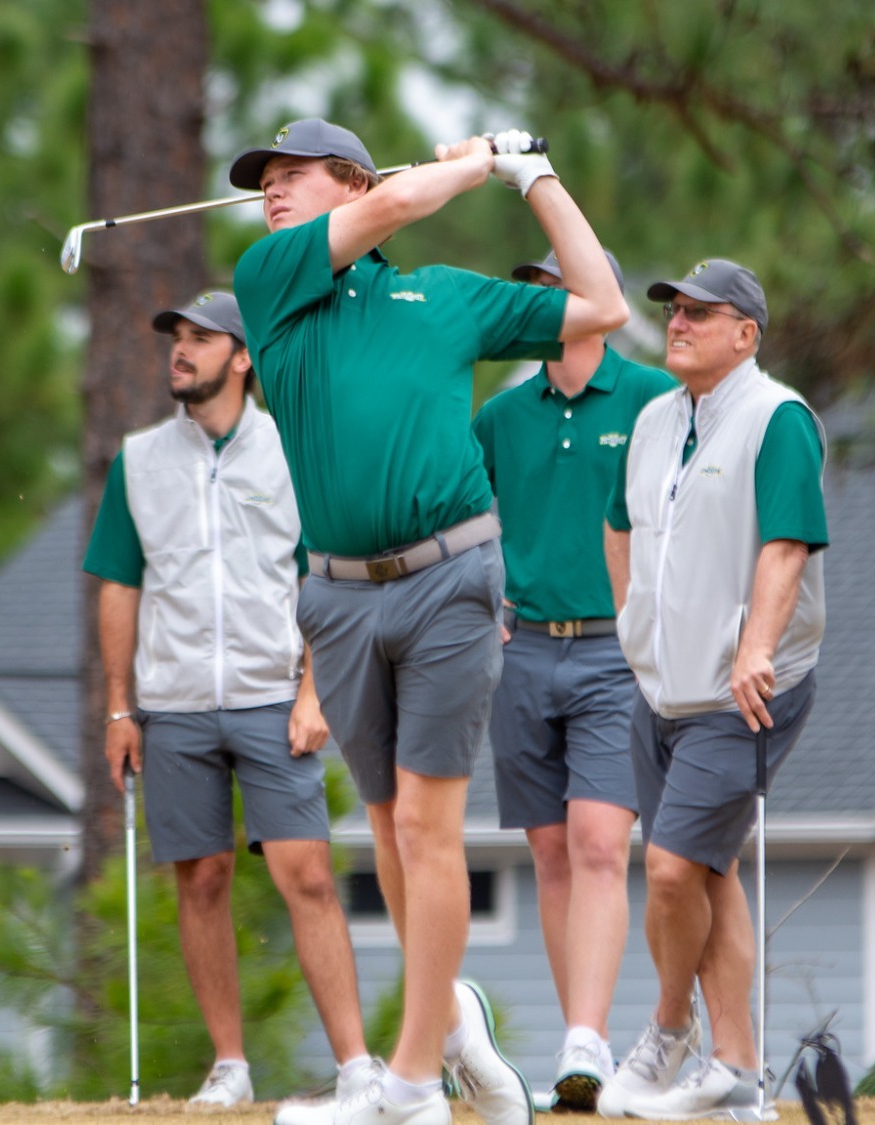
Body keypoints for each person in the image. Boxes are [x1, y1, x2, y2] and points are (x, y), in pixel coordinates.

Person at [228, 117, 628, 1125]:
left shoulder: (442, 297)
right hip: (335, 597)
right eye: (263, 180)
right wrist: (474, 164)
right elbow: (406, 201)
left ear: (351, 181)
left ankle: (407, 1084)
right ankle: (450, 1029)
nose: (270, 191)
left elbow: (602, 304)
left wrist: (534, 176)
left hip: (452, 575)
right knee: (386, 831)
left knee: (421, 823)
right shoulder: (269, 280)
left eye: (292, 175)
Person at [81, 290, 370, 1108]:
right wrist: (119, 707)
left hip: (273, 698)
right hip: (173, 705)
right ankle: (230, 1065)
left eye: (201, 338)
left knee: (305, 873)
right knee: (200, 879)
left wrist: (314, 691)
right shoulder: (138, 460)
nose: (181, 349)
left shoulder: (293, 449)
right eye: (176, 336)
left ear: (243, 357)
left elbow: (325, 578)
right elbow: (119, 586)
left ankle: (357, 1064)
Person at [599, 259, 827, 1120]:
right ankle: (736, 1069)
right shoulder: (654, 420)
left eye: (700, 311)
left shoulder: (778, 418)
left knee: (668, 869)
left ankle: (669, 1029)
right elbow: (619, 525)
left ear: (746, 333)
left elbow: (787, 545)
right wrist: (632, 622)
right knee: (708, 868)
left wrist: (755, 648)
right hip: (662, 687)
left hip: (745, 692)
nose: (678, 321)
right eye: (673, 308)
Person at [471, 247, 671, 1112]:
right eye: (535, 292)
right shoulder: (501, 414)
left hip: (614, 655)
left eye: (554, 289)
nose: (540, 303)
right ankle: (579, 1043)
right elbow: (461, 514)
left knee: (597, 841)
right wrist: (485, 602)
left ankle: (586, 1036)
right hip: (522, 655)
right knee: (550, 851)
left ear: (599, 299)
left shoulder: (655, 398)